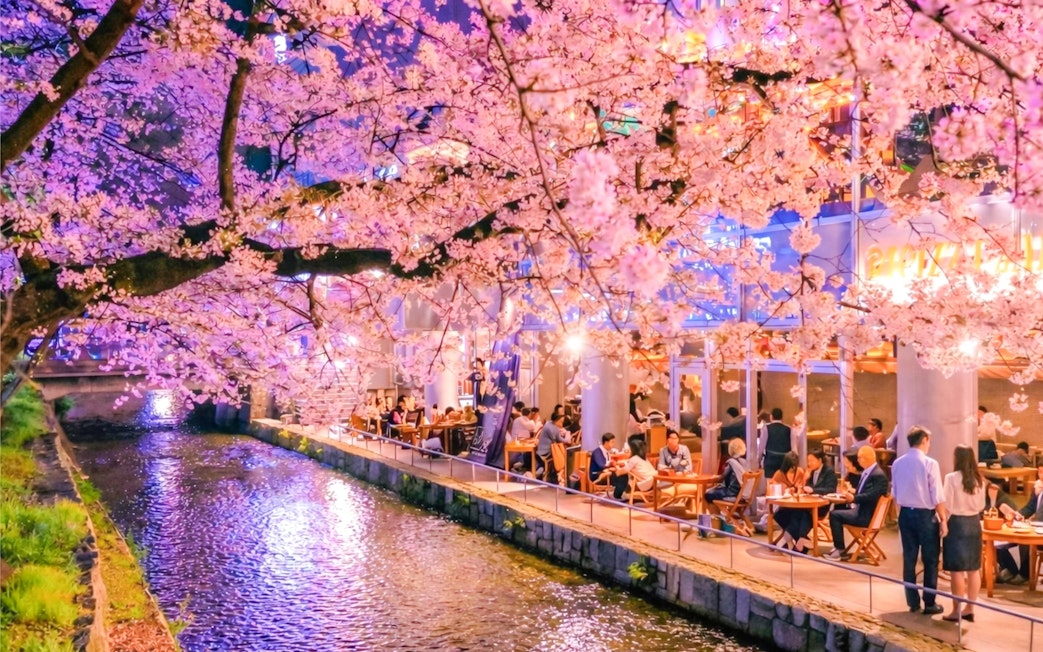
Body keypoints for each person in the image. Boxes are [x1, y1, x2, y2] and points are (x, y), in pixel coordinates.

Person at [889, 426, 947, 616]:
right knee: (930, 560)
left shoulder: (897, 463)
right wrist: (943, 520)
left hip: (905, 514)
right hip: (925, 516)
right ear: (923, 440)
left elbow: (895, 494)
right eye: (929, 440)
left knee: (909, 558)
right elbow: (937, 495)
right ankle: (929, 603)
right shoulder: (930, 463)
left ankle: (912, 602)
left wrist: (900, 515)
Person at [942, 445, 986, 622]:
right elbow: (982, 505)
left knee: (957, 571)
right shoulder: (979, 479)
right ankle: (970, 608)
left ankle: (956, 610)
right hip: (974, 523)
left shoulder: (951, 478)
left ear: (957, 458)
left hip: (957, 524)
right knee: (974, 569)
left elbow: (948, 505)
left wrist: (942, 523)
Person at [826, 445, 888, 562]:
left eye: (859, 458)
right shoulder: (871, 472)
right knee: (838, 510)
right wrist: (854, 492)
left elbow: (872, 496)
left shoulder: (877, 475)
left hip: (866, 516)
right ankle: (838, 549)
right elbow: (869, 492)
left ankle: (839, 550)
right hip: (864, 511)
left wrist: (853, 498)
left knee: (834, 515)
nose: (858, 461)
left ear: (865, 459)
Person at [782, 449, 839, 554]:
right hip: (808, 503)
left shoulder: (829, 472)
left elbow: (830, 490)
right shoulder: (811, 472)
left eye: (812, 460)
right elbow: (806, 487)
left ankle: (791, 539)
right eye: (808, 460)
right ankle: (802, 541)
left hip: (821, 506)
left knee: (803, 514)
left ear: (820, 460)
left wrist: (814, 490)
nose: (809, 463)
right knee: (784, 511)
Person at [1009, 463, 1043, 585]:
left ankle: (1024, 573)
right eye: (1040, 472)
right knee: (1023, 537)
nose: (1042, 476)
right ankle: (1024, 573)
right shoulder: (1038, 487)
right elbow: (1030, 507)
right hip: (1037, 527)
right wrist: (1019, 514)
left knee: (1028, 538)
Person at [986, 481, 1024, 583]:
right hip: (994, 533)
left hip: (1009, 532)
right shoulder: (982, 497)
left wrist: (993, 501)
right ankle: (1006, 569)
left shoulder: (1003, 500)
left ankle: (1011, 570)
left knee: (995, 543)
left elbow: (1013, 516)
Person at [771, 452, 807, 550]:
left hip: (798, 504)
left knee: (800, 514)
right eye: (791, 466)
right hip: (783, 505)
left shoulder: (800, 472)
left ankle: (784, 540)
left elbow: (802, 487)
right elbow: (773, 489)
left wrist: (798, 490)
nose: (793, 468)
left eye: (795, 466)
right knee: (780, 515)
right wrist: (786, 490)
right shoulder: (779, 474)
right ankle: (793, 541)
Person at [705, 438, 749, 508]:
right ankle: (726, 513)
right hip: (744, 495)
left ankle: (716, 516)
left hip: (732, 494)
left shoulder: (732, 462)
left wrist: (714, 477)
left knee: (708, 494)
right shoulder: (744, 462)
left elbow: (721, 478)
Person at [536, 413, 567, 483]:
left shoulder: (548, 424)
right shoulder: (553, 428)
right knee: (563, 458)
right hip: (546, 452)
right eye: (561, 422)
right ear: (557, 421)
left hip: (541, 450)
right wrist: (568, 434)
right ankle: (559, 476)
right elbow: (562, 440)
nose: (562, 424)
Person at [763, 408, 792, 479]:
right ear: (782, 417)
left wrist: (758, 460)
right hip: (785, 462)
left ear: (771, 416)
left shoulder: (766, 428)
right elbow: (794, 449)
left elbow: (761, 447)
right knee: (784, 482)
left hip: (770, 461)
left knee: (770, 483)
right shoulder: (789, 429)